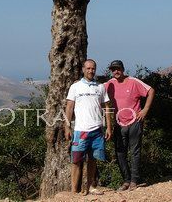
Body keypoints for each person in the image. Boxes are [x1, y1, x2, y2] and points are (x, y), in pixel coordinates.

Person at [64, 59, 113, 195]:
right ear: (83, 69)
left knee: (93, 160)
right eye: (88, 68)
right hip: (80, 130)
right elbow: (69, 107)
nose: (91, 71)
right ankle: (74, 191)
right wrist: (67, 127)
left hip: (97, 130)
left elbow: (107, 107)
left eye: (93, 68)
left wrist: (109, 127)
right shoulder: (75, 87)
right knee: (76, 161)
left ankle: (91, 187)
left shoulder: (100, 87)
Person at [105, 60, 155, 191]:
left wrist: (145, 110)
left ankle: (134, 181)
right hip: (119, 124)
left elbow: (151, 91)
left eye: (118, 69)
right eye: (113, 69)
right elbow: (95, 90)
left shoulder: (134, 82)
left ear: (123, 69)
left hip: (134, 123)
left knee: (134, 152)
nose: (116, 71)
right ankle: (126, 180)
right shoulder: (110, 84)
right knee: (120, 153)